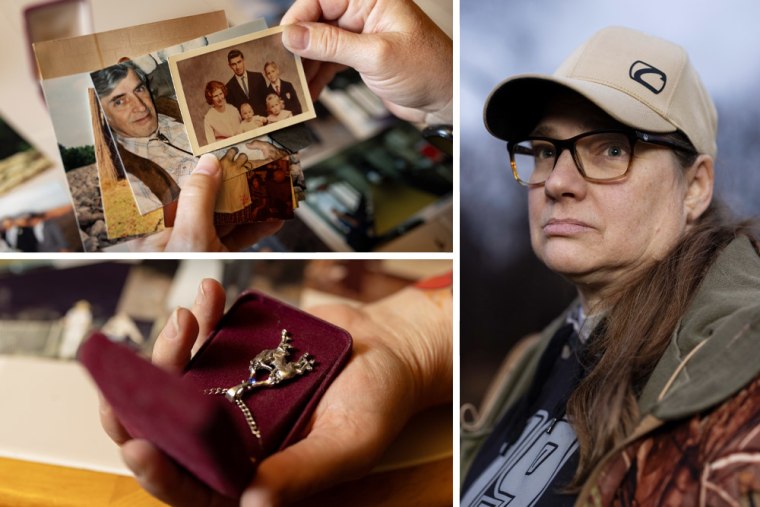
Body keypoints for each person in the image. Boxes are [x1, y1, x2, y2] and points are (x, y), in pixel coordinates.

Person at [460, 26, 760, 506]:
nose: (557, 182)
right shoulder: (538, 354)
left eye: (612, 149)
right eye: (544, 151)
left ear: (697, 186)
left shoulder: (743, 363)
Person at [134, 0, 452, 252]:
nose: (220, 94)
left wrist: (443, 99)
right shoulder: (213, 108)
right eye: (215, 92)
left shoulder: (256, 83)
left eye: (237, 65)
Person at [92, 61, 195, 212]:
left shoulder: (181, 108)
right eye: (120, 101)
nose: (141, 106)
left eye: (139, 89)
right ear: (103, 116)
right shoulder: (129, 182)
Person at [225, 49, 269, 117]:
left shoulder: (258, 77)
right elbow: (234, 112)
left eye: (239, 62)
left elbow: (267, 100)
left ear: (243, 60)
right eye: (234, 64)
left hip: (264, 119)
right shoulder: (228, 87)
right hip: (246, 125)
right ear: (230, 66)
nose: (237, 67)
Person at [203, 81, 242, 145]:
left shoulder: (233, 109)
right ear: (211, 98)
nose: (220, 98)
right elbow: (211, 144)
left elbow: (243, 127)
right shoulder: (208, 118)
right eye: (215, 96)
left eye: (221, 94)